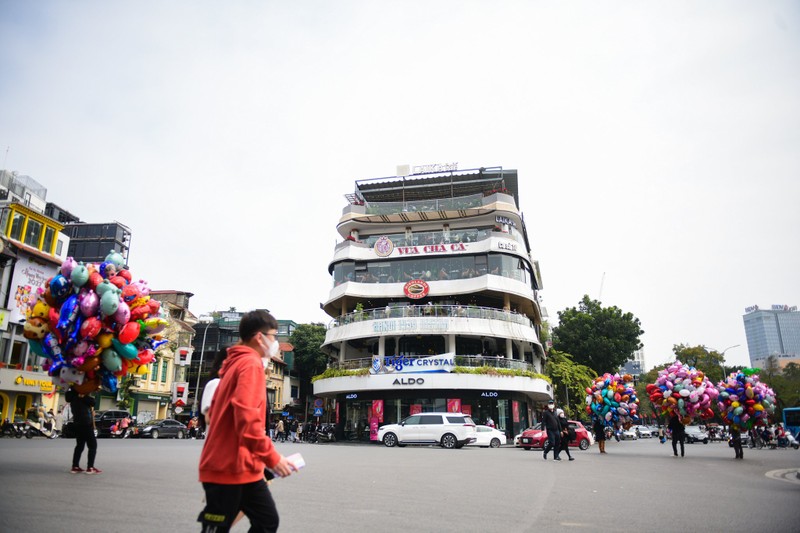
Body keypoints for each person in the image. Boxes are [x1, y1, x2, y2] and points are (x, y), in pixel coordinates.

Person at [198, 310, 297, 532]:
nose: (275, 342)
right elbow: (247, 421)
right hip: (228, 466)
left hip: (244, 467)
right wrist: (273, 458)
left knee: (266, 520)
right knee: (251, 523)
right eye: (273, 336)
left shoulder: (235, 363)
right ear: (258, 337)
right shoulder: (249, 365)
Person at [65, 386, 101, 474]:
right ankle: (90, 467)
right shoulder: (82, 397)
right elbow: (93, 402)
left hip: (77, 423)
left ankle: (75, 466)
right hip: (86, 423)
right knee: (92, 445)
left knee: (80, 445)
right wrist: (85, 395)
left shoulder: (72, 398)